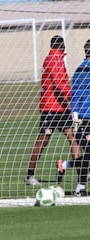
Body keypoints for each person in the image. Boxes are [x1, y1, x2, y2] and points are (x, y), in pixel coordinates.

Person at [25, 35, 82, 185]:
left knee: (71, 137)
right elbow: (59, 83)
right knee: (43, 140)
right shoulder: (55, 59)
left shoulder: (50, 58)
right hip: (53, 107)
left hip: (57, 107)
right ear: (62, 46)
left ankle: (83, 173)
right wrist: (72, 97)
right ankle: (29, 175)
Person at [62, 39, 90, 196]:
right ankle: (80, 187)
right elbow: (76, 95)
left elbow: (74, 95)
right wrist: (76, 115)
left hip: (82, 118)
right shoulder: (85, 70)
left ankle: (66, 165)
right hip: (87, 119)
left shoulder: (80, 69)